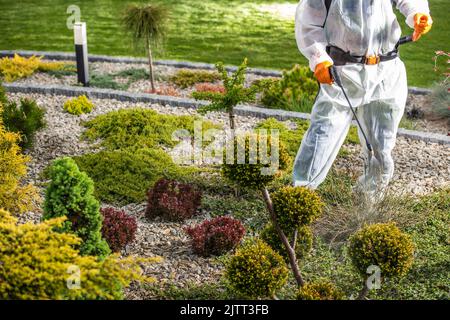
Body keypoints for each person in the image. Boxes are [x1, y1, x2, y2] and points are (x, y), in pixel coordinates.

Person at [293, 0, 432, 197]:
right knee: (322, 135)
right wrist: (318, 58)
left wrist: (418, 13)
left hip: (386, 70)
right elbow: (308, 22)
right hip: (342, 71)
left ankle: (368, 202)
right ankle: (299, 197)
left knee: (382, 143)